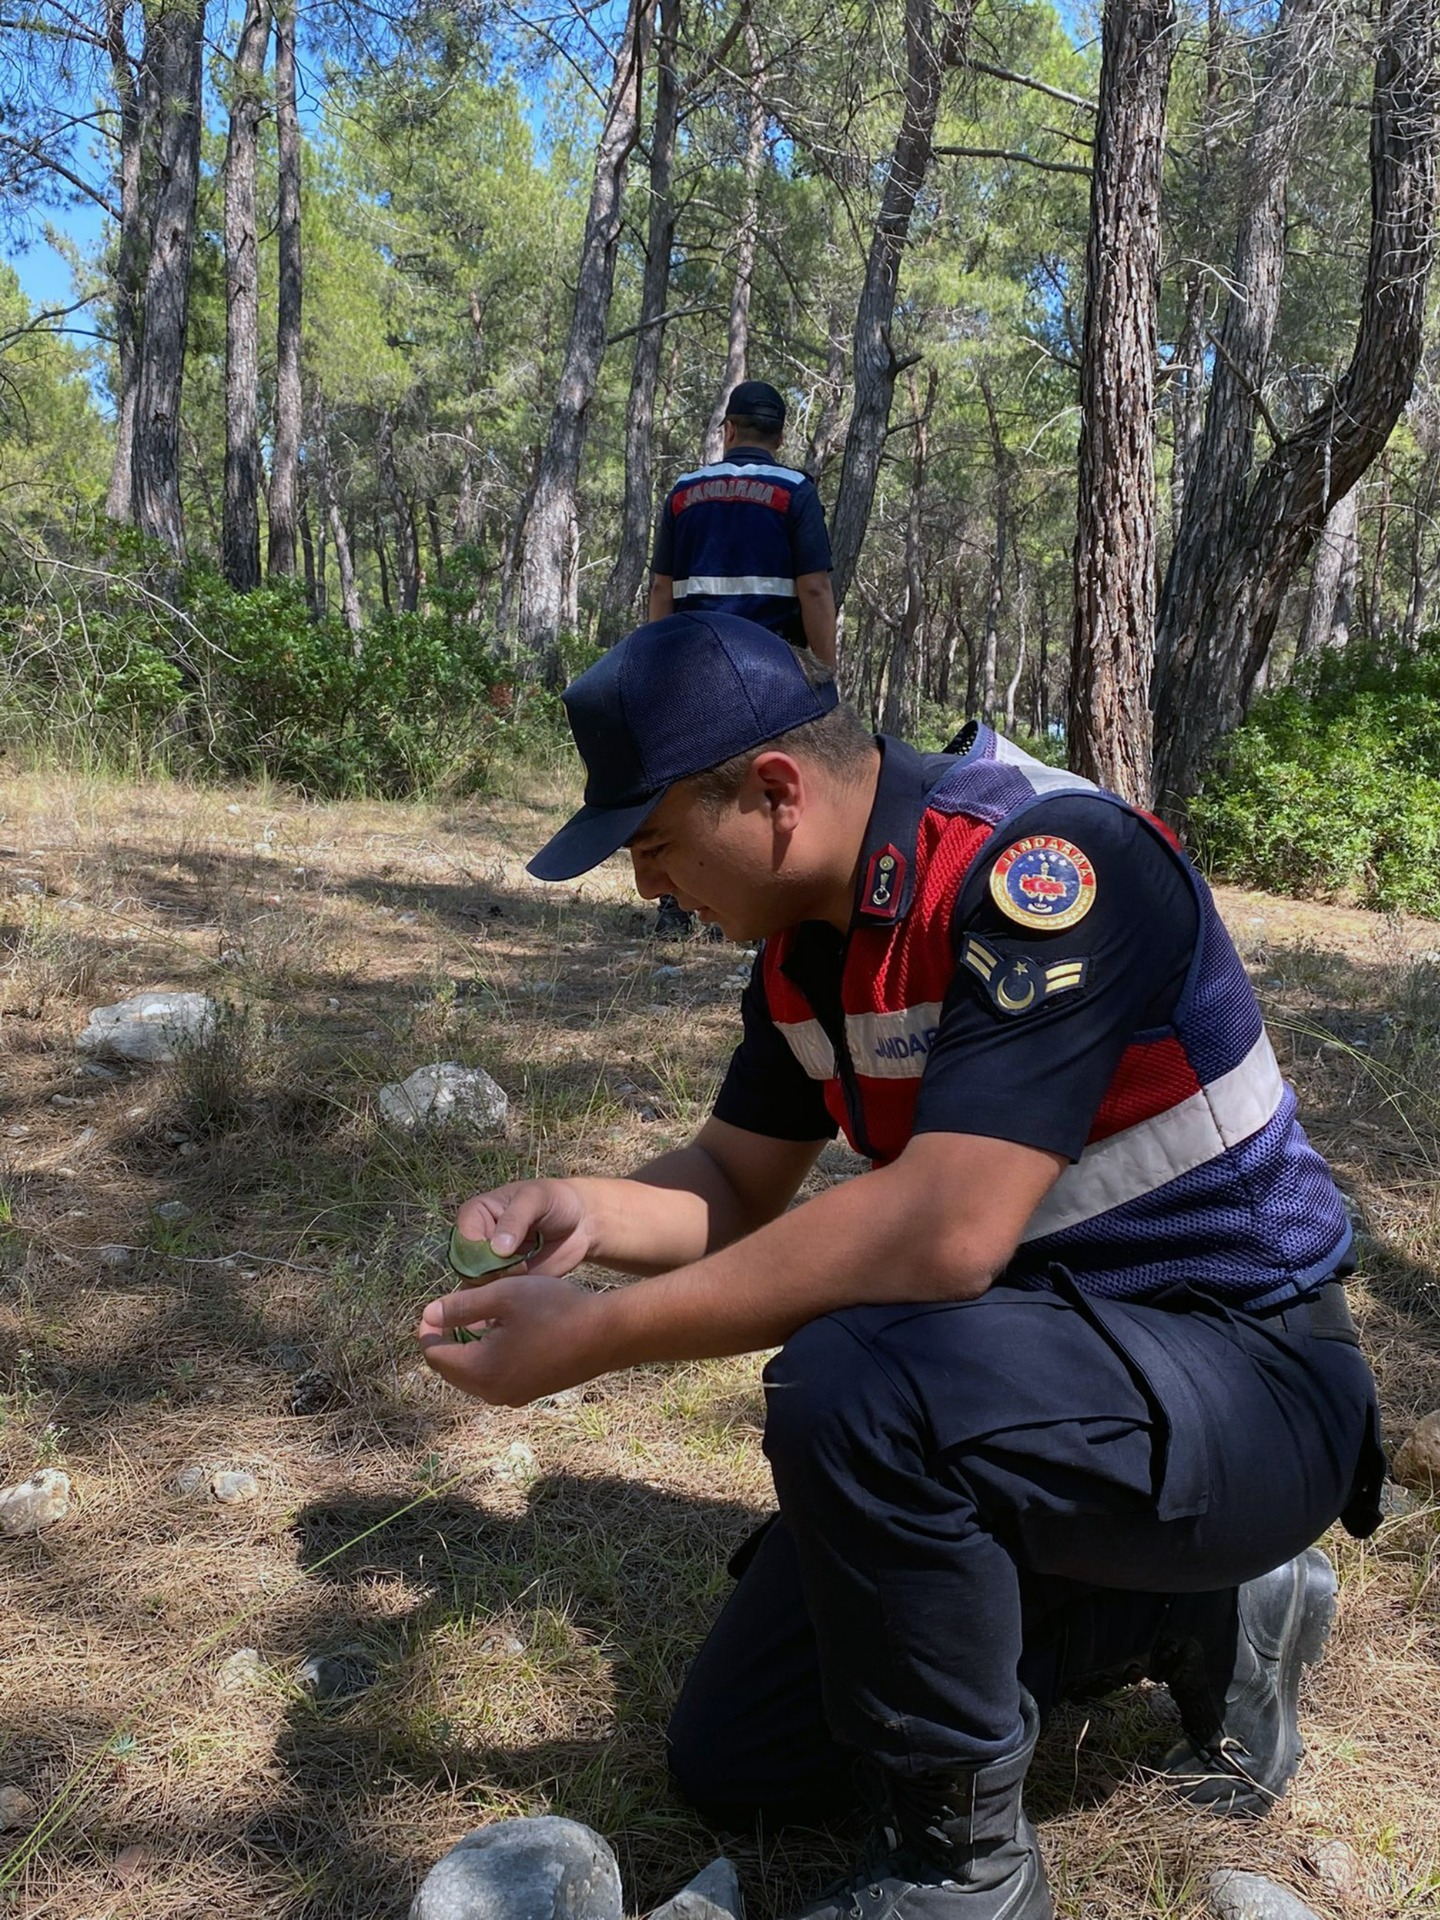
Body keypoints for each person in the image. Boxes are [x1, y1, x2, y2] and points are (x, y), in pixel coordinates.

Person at [418, 613, 1385, 1920]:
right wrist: (579, 1210)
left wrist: (596, 1338)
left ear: (770, 793)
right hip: (1055, 1394)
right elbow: (729, 1184)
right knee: (742, 1757)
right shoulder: (805, 959)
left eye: (651, 846)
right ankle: (1199, 1611)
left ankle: (964, 1874)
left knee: (852, 1381)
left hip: (1252, 1385)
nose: (648, 888)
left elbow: (944, 1231)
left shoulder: (1044, 864)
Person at [647, 380, 837, 940]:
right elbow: (816, 590)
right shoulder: (795, 492)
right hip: (769, 672)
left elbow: (662, 588)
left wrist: (653, 665)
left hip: (689, 665)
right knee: (762, 792)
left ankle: (674, 907)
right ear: (779, 435)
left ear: (728, 430)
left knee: (685, 785)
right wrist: (823, 671)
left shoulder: (684, 493)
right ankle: (751, 906)